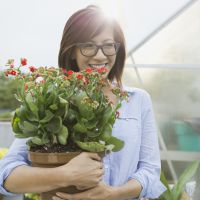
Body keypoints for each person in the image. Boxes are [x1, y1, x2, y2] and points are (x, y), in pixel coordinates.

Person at [0, 5, 166, 200]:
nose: (100, 55)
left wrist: (112, 194)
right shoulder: (53, 102)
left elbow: (150, 170)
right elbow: (7, 176)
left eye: (108, 45)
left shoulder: (137, 100)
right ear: (72, 52)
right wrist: (66, 174)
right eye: (88, 45)